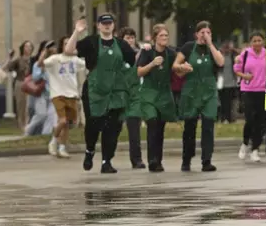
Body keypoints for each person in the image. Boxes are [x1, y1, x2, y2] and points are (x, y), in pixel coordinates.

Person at [64, 14, 136, 174]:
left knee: (112, 127)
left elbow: (133, 62)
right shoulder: (91, 42)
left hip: (115, 92)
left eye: (109, 23)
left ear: (114, 25)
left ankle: (106, 161)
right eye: (104, 23)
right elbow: (68, 50)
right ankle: (89, 151)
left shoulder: (121, 44)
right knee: (93, 124)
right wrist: (77, 31)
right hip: (94, 91)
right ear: (98, 26)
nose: (107, 26)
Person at [174, 21, 225, 172]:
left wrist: (210, 44)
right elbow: (175, 65)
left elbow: (221, 62)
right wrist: (182, 66)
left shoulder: (213, 48)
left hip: (209, 93)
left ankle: (206, 160)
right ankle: (186, 159)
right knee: (190, 128)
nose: (205, 35)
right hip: (191, 92)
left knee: (208, 126)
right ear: (196, 34)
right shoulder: (188, 47)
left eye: (208, 32)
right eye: (202, 32)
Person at [137, 24, 189, 172]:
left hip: (165, 93)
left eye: (166, 35)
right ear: (154, 38)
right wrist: (152, 64)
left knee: (160, 127)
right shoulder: (147, 52)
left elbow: (176, 73)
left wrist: (185, 70)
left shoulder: (171, 53)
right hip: (149, 92)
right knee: (152, 122)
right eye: (161, 36)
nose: (164, 38)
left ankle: (158, 160)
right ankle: (152, 160)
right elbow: (139, 72)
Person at [38, 36, 86, 158]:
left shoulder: (75, 60)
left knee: (67, 123)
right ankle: (54, 141)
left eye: (71, 43)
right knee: (62, 120)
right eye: (65, 43)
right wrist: (44, 52)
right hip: (57, 93)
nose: (68, 45)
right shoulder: (55, 59)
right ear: (62, 45)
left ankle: (62, 147)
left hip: (72, 94)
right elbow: (40, 64)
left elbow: (88, 64)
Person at [234, 32, 266, 162]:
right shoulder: (245, 54)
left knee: (260, 121)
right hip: (248, 90)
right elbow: (236, 69)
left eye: (259, 40)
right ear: (250, 42)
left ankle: (255, 149)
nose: (257, 43)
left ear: (263, 42)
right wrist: (244, 76)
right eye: (254, 41)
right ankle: (245, 143)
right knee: (250, 119)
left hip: (263, 90)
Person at [118, 26, 145, 169]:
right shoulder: (116, 54)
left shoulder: (140, 55)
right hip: (118, 95)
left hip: (134, 96)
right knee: (113, 129)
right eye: (127, 38)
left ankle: (137, 159)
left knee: (134, 128)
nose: (130, 40)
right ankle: (107, 158)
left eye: (132, 37)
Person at [5, 40, 34, 130]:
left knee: (29, 105)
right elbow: (9, 68)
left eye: (30, 46)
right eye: (26, 46)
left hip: (31, 83)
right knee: (21, 105)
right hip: (20, 82)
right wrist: (10, 57)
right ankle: (21, 125)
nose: (28, 48)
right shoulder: (19, 60)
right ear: (23, 48)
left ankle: (29, 124)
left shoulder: (33, 60)